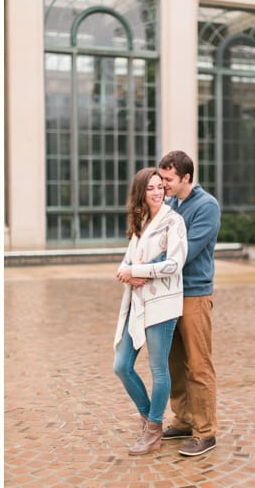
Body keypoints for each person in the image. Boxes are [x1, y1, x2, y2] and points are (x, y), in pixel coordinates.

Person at [113, 167, 188, 455]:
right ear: (141, 192)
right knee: (121, 365)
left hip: (163, 304)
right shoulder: (141, 221)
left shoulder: (174, 221)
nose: (157, 192)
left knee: (158, 369)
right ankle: (148, 417)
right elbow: (124, 264)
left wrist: (138, 270)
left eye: (160, 187)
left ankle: (154, 430)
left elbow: (174, 264)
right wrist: (127, 273)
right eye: (151, 188)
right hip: (137, 303)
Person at [158, 150, 221, 457]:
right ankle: (184, 419)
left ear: (186, 178)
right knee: (175, 363)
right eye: (162, 177)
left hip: (195, 294)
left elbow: (186, 251)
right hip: (170, 294)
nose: (163, 183)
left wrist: (149, 266)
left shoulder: (206, 206)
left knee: (198, 365)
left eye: (168, 179)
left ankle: (205, 432)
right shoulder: (170, 204)